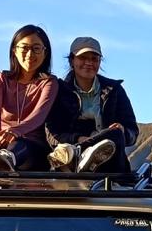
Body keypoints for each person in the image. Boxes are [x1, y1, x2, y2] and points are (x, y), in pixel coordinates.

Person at [0, 24, 58, 172]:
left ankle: (5, 160)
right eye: (24, 48)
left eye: (36, 48)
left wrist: (15, 132)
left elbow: (38, 117)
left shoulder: (49, 82)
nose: (30, 54)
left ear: (45, 53)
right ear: (14, 50)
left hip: (33, 148)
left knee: (18, 146)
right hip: (0, 142)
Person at [45, 37, 140, 173]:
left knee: (115, 134)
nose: (89, 63)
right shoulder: (59, 90)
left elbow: (133, 132)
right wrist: (78, 138)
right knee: (67, 150)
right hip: (72, 152)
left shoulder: (114, 90)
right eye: (83, 58)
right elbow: (52, 133)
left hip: (109, 156)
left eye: (94, 59)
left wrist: (124, 131)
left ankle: (91, 156)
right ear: (72, 60)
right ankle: (83, 157)